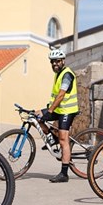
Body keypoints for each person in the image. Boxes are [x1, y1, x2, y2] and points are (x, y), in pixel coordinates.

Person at [41, 48, 79, 183]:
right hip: (58, 109)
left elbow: (61, 94)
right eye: (52, 62)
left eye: (57, 61)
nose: (54, 64)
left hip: (67, 111)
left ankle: (64, 174)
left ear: (63, 61)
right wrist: (46, 111)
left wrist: (50, 111)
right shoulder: (58, 73)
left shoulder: (67, 75)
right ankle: (52, 139)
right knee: (36, 117)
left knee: (64, 140)